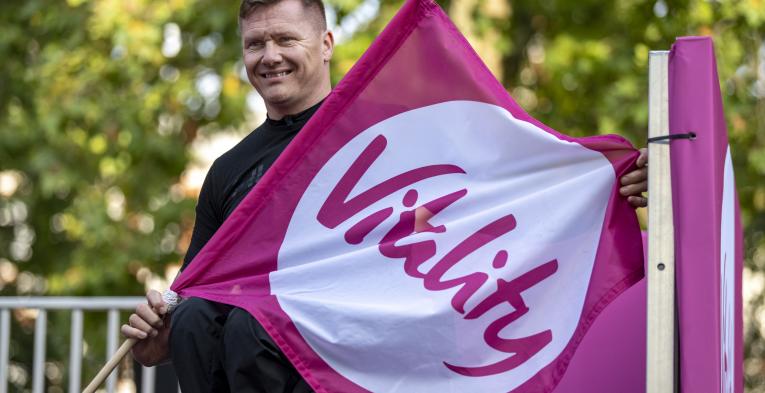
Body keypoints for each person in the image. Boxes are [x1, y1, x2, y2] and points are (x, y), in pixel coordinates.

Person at [120, 0, 648, 391]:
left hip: (359, 355)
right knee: (202, 321)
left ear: (325, 44)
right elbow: (198, 298)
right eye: (255, 44)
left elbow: (508, 187)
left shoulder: (395, 135)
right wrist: (155, 342)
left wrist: (606, 179)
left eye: (286, 39)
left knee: (250, 325)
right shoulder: (227, 171)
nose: (270, 56)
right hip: (247, 351)